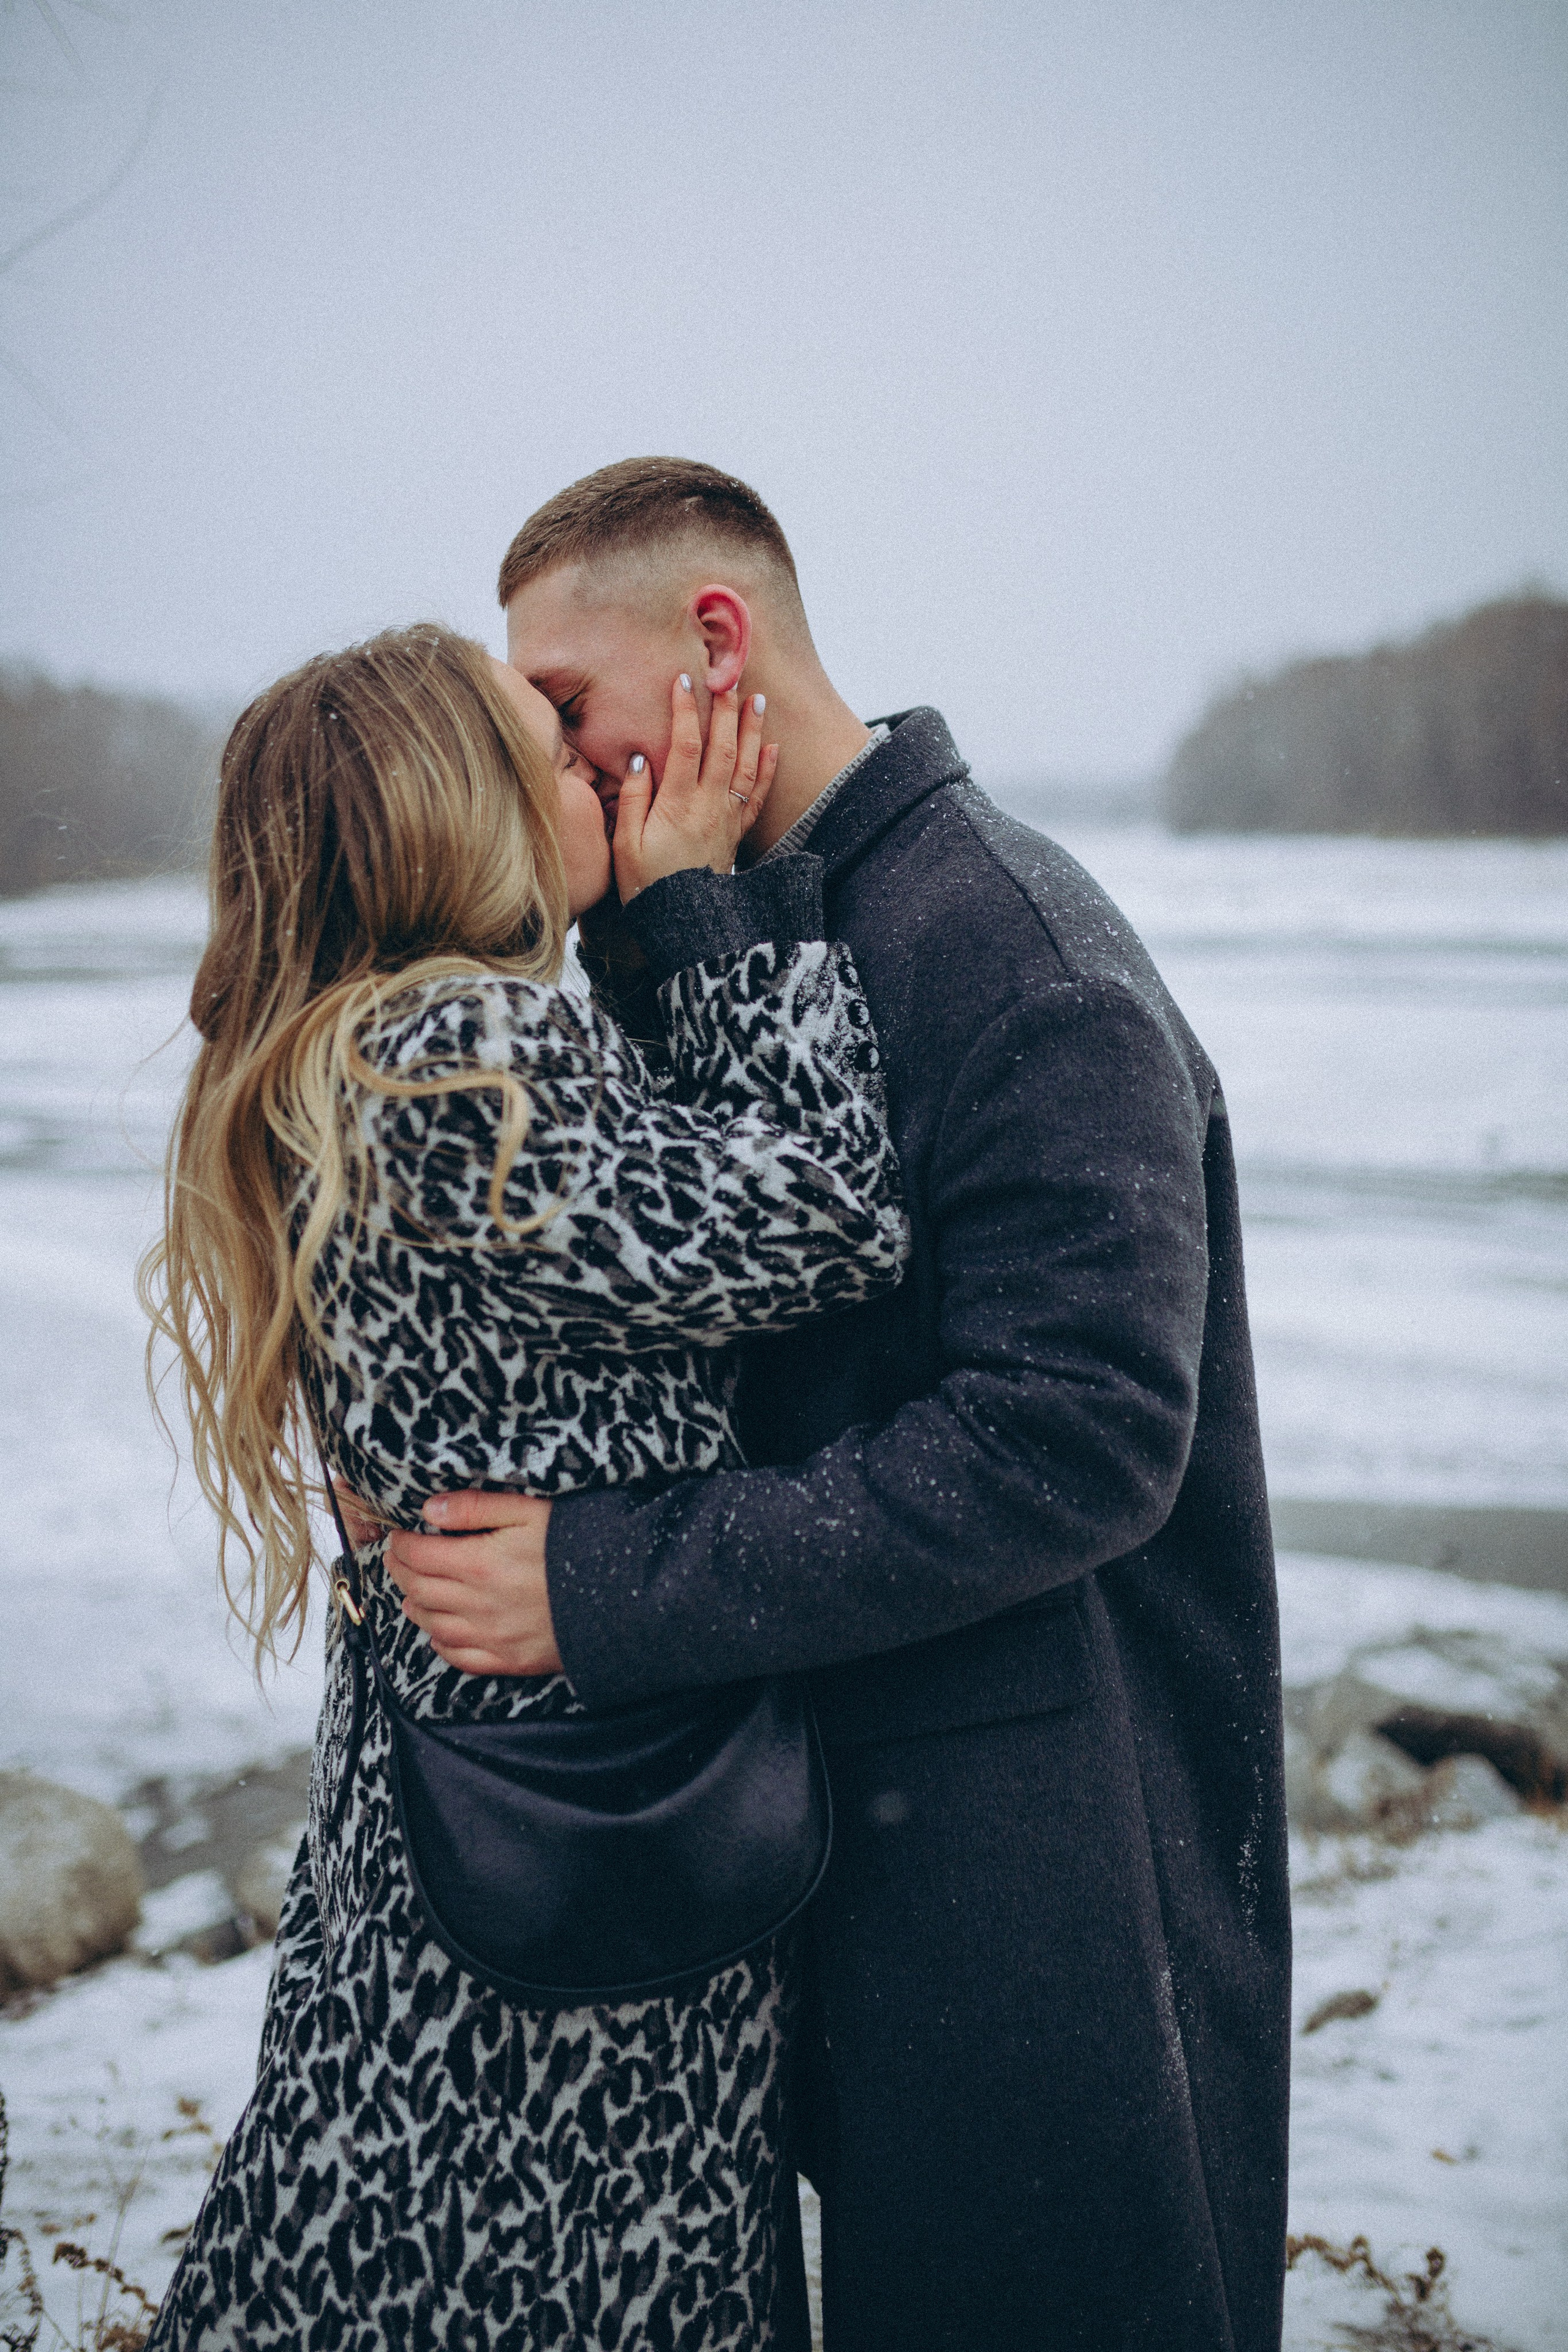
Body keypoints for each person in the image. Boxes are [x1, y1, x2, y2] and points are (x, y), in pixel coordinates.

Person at [386, 458, 1294, 2350]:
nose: (530, 750)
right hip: (791, 1853)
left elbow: (1081, 1438)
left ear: (718, 643)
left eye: (560, 706)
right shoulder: (688, 921)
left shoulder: (1021, 956)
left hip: (1033, 1879)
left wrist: (609, 1586)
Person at [140, 622, 910, 2350]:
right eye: (553, 753)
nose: (609, 777)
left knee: (375, 2258)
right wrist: (704, 908)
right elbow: (823, 1216)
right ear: (450, 810)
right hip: (574, 1861)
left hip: (472, 1827)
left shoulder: (356, 1051)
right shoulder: (454, 1050)